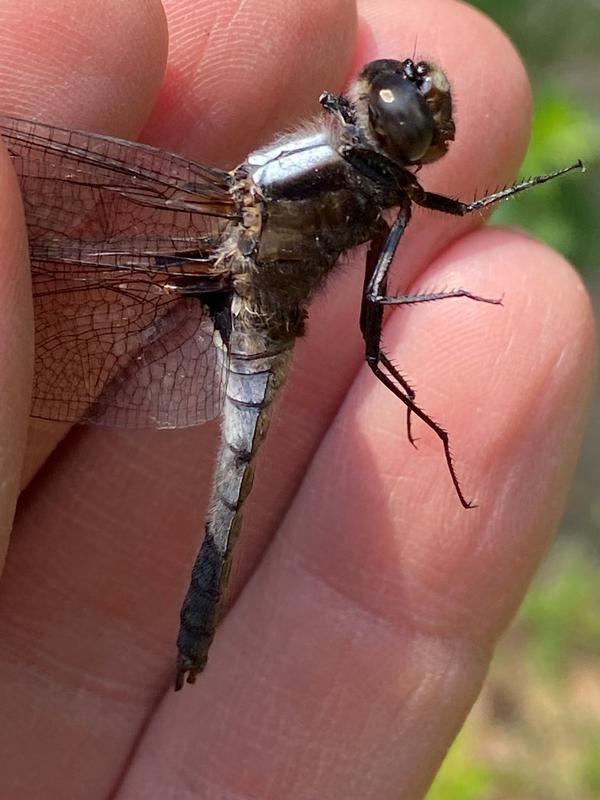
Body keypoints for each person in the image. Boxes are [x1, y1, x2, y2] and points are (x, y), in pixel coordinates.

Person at [0, 0, 594, 797]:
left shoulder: (368, 186)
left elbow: (380, 315)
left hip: (251, 294)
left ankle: (194, 634)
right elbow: (376, 327)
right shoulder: (382, 190)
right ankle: (196, 636)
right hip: (247, 287)